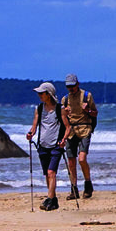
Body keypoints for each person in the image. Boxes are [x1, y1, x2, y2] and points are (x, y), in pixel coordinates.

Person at [26, 81, 65, 211]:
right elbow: (34, 125)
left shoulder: (60, 109)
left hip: (56, 145)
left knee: (51, 172)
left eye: (41, 93)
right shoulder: (39, 108)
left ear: (49, 94)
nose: (39, 95)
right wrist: (30, 133)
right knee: (47, 175)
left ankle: (49, 199)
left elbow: (68, 127)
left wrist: (63, 139)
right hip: (42, 145)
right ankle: (53, 200)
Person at [61, 73, 99, 201]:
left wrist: (87, 110)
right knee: (71, 161)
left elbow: (95, 113)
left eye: (72, 86)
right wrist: (64, 114)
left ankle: (88, 184)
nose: (71, 89)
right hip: (71, 131)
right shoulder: (65, 99)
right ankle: (74, 189)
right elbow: (63, 119)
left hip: (85, 129)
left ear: (78, 84)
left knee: (82, 159)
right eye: (68, 86)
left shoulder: (87, 96)